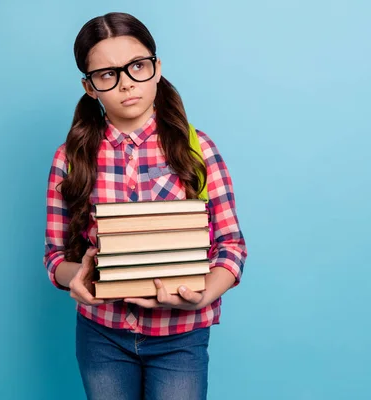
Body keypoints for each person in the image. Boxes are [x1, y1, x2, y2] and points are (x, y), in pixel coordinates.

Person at [42, 12, 247, 400]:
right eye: (107, 74)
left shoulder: (198, 149)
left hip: (180, 338)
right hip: (101, 336)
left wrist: (204, 294)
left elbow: (232, 248)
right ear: (89, 86)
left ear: (156, 68)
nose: (126, 85)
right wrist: (77, 278)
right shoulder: (69, 158)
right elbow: (55, 258)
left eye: (137, 66)